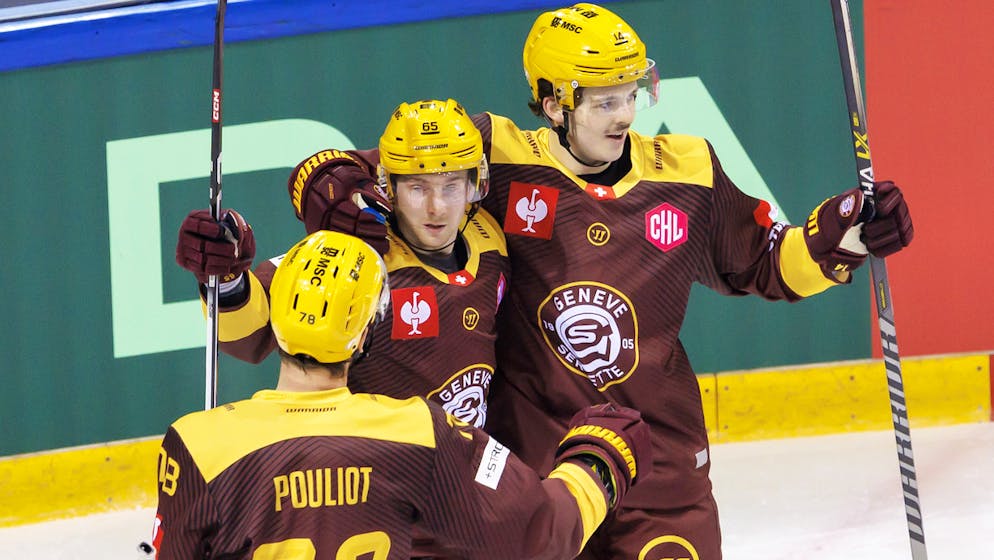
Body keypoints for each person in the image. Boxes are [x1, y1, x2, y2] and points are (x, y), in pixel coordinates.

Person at [279, 4, 916, 558]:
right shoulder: (494, 154)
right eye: (605, 99)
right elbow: (372, 173)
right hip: (539, 481)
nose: (625, 116)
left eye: (632, 94)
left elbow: (769, 262)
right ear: (554, 101)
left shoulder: (688, 170)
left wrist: (850, 230)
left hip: (661, 467)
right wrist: (327, 183)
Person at [153, 229, 651, 559]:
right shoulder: (417, 430)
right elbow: (540, 533)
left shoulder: (196, 444)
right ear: (369, 328)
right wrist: (600, 460)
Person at [176, 99, 510, 428]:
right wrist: (228, 278)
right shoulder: (354, 255)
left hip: (466, 468)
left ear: (473, 185)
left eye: (451, 186)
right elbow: (248, 339)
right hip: (381, 470)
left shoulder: (490, 237)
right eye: (417, 187)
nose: (437, 207)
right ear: (388, 187)